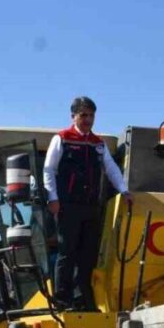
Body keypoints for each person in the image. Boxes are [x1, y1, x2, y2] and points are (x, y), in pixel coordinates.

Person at [44, 96, 132, 310]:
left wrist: (124, 191)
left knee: (88, 253)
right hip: (68, 204)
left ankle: (83, 298)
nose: (87, 119)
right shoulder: (62, 138)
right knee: (68, 251)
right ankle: (62, 299)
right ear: (73, 116)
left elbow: (111, 169)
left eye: (91, 115)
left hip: (91, 206)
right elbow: (49, 169)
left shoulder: (98, 143)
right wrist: (53, 198)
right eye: (83, 115)